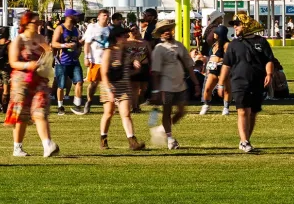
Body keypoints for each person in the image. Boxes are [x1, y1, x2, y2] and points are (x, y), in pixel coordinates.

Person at [218, 14, 276, 153]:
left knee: (253, 113)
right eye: (234, 25)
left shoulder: (261, 42)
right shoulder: (233, 44)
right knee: (243, 111)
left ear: (246, 25)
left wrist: (269, 74)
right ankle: (244, 142)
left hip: (257, 82)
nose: (235, 27)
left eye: (238, 24)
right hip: (239, 82)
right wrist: (220, 84)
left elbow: (269, 60)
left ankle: (246, 140)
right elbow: (226, 65)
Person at [4, 10, 59, 158]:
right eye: (35, 22)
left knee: (40, 110)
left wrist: (49, 54)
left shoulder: (41, 38)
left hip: (39, 79)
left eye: (39, 22)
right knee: (22, 115)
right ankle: (17, 147)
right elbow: (13, 62)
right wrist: (28, 65)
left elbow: (48, 57)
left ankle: (47, 144)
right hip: (21, 81)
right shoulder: (19, 40)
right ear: (26, 24)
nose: (38, 24)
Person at [149, 20, 197, 150]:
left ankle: (162, 130)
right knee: (167, 111)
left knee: (181, 111)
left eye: (168, 29)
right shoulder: (159, 49)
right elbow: (155, 72)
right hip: (166, 85)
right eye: (164, 30)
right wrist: (156, 90)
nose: (167, 32)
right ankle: (170, 138)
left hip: (180, 84)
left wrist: (196, 83)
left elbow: (189, 65)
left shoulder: (180, 46)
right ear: (160, 34)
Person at [99, 25, 145, 151]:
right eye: (125, 35)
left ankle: (132, 141)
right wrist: (109, 91)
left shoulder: (126, 52)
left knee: (126, 114)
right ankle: (103, 138)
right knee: (109, 113)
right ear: (118, 38)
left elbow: (128, 69)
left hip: (123, 86)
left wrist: (136, 65)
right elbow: (103, 73)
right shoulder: (108, 51)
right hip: (109, 85)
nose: (127, 37)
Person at [51, 9, 85, 115]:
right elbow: (54, 43)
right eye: (76, 16)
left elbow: (76, 43)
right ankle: (60, 106)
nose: (77, 18)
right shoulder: (60, 28)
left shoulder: (75, 29)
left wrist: (80, 43)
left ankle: (77, 105)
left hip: (74, 61)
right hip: (62, 61)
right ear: (69, 16)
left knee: (79, 82)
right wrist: (65, 45)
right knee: (61, 85)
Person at [81, 9, 110, 114]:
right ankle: (89, 101)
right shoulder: (92, 28)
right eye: (104, 15)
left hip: (107, 61)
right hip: (95, 59)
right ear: (98, 17)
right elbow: (87, 44)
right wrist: (87, 57)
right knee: (94, 83)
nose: (105, 17)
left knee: (107, 82)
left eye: (107, 15)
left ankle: (108, 104)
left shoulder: (109, 29)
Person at [200, 17, 231, 116]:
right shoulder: (214, 45)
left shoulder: (226, 45)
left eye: (215, 33)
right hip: (212, 69)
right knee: (207, 88)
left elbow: (228, 58)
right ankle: (206, 104)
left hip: (222, 69)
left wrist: (221, 62)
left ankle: (226, 107)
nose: (213, 34)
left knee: (226, 89)